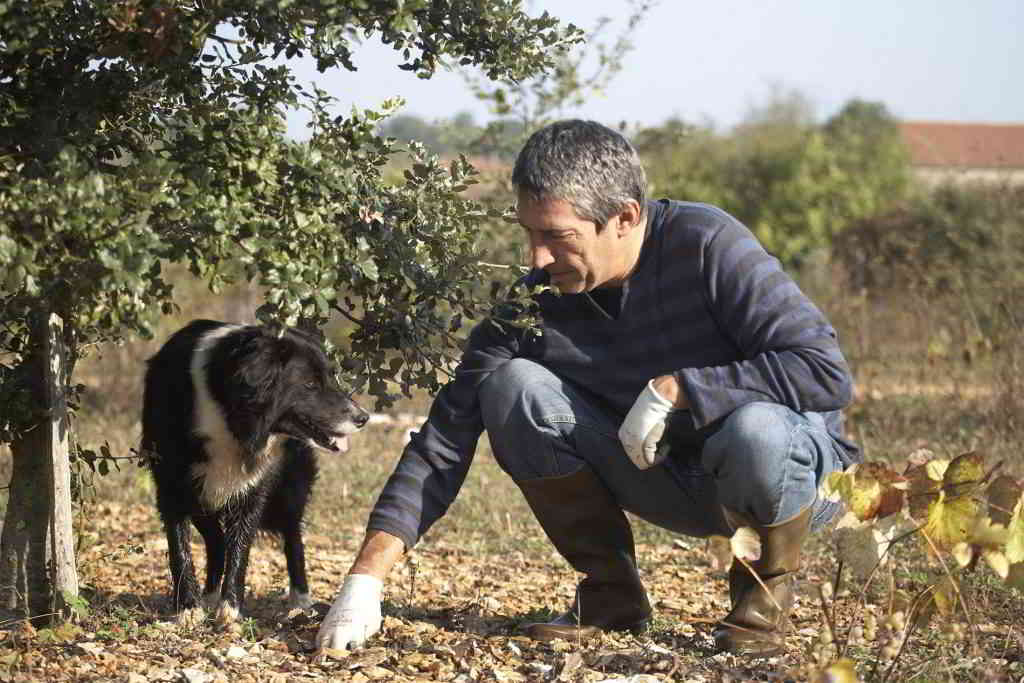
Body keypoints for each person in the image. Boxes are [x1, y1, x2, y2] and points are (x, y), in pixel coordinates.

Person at [315, 119, 859, 657]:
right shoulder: (535, 302)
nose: (537, 258)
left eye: (556, 236)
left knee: (754, 429)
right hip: (670, 479)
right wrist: (365, 582)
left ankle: (758, 614)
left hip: (794, 481)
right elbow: (443, 442)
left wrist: (684, 388)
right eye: (529, 233)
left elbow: (824, 371)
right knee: (512, 387)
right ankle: (611, 598)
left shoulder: (709, 244)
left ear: (624, 217)